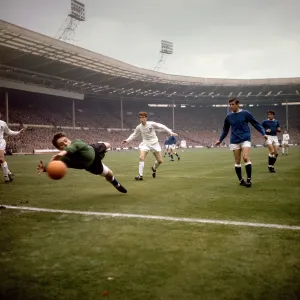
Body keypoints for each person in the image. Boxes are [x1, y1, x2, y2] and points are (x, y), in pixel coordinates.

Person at [37, 133, 127, 193]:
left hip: (93, 149)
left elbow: (71, 148)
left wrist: (62, 153)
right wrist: (45, 168)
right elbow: (54, 166)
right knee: (110, 175)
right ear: (59, 148)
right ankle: (116, 184)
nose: (65, 143)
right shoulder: (64, 159)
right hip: (92, 165)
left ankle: (102, 145)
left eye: (66, 140)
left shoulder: (76, 142)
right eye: (61, 144)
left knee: (108, 144)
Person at [215, 98, 268, 187]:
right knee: (237, 161)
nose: (231, 106)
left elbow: (256, 124)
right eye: (230, 105)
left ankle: (249, 180)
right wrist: (220, 140)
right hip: (234, 140)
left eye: (233, 104)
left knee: (246, 158)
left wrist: (263, 133)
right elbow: (225, 130)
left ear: (238, 104)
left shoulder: (245, 113)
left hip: (245, 138)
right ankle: (241, 180)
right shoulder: (228, 116)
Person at [121, 112, 178, 180]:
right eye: (140, 118)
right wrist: (127, 140)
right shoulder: (139, 127)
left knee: (160, 161)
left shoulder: (151, 124)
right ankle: (140, 176)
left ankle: (154, 168)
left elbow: (161, 126)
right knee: (141, 157)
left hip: (154, 143)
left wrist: (170, 132)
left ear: (145, 118)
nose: (141, 119)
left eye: (143, 117)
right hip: (145, 143)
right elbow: (134, 134)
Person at [0, 112, 24, 183]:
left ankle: (6, 177)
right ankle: (9, 174)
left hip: (0, 141)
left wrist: (18, 132)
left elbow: (9, 131)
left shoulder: (3, 123)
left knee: (1, 159)